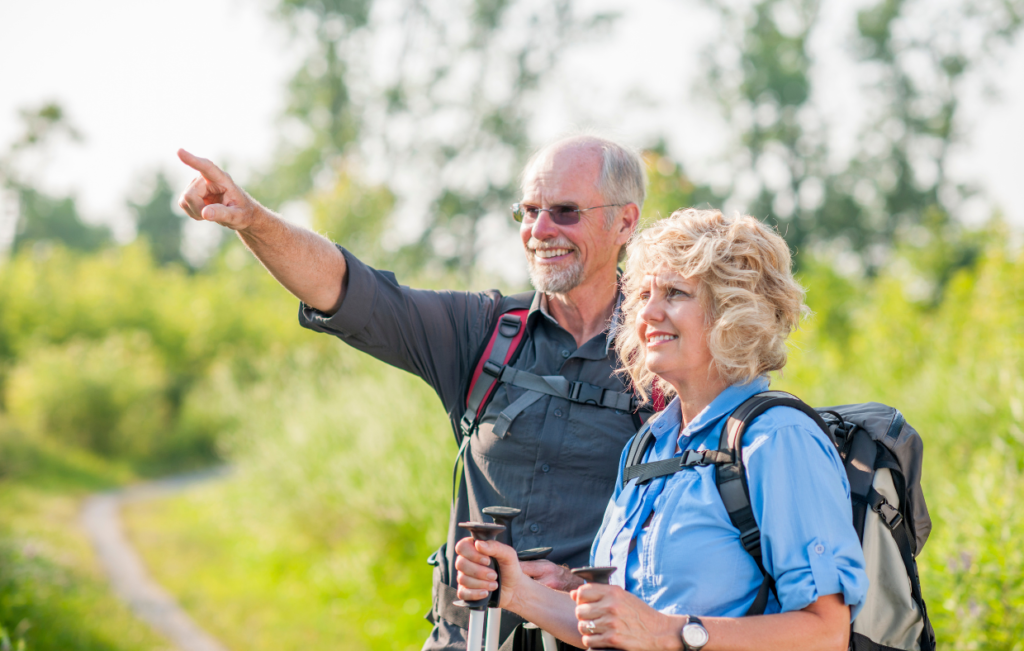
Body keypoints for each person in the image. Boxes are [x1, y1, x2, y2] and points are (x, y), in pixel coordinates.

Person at [176, 134, 647, 650]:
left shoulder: (666, 358)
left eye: (564, 211)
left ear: (625, 221)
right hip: (466, 641)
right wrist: (254, 220)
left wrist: (582, 585)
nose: (539, 230)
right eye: (529, 210)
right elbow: (352, 291)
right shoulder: (483, 333)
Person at [454, 208, 869, 651]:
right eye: (644, 294)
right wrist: (520, 592)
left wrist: (668, 632)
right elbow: (617, 631)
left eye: (674, 293)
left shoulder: (778, 440)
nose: (648, 313)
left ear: (734, 309)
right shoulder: (648, 446)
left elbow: (826, 632)